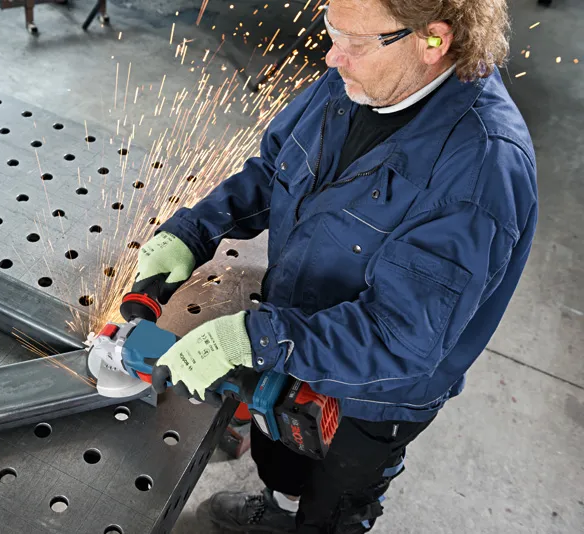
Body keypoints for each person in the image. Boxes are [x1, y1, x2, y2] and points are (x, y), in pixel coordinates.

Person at [131, 0, 538, 532]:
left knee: (336, 499)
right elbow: (275, 169)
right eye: (331, 30)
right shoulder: (356, 82)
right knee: (282, 455)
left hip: (377, 395)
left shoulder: (482, 168)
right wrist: (193, 231)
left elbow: (402, 338)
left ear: (433, 40)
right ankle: (277, 509)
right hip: (293, 333)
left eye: (355, 41)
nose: (331, 55)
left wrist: (253, 339)